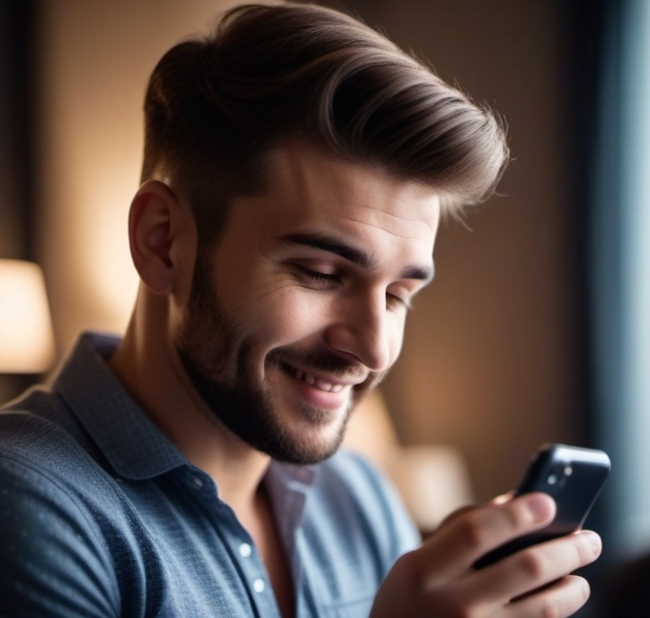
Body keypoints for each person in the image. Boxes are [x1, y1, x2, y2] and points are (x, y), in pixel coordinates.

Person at [0, 3, 601, 617]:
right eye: (321, 273)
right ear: (162, 241)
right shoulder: (27, 503)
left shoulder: (360, 497)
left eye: (398, 295)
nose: (373, 349)